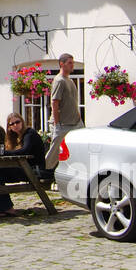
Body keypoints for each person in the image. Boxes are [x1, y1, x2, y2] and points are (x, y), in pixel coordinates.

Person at [44, 54, 83, 183]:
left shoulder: (70, 80)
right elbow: (54, 103)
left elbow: (73, 101)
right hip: (63, 123)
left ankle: (77, 172)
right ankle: (44, 172)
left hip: (75, 122)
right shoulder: (59, 80)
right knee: (55, 150)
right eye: (70, 63)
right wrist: (57, 124)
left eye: (73, 63)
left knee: (79, 147)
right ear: (62, 64)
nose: (72, 65)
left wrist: (78, 117)